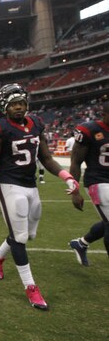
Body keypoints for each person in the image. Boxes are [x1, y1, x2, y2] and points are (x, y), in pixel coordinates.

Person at [0, 83, 80, 311]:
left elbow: (47, 158)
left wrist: (67, 177)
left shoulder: (36, 124)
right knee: (20, 237)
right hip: (8, 185)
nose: (19, 108)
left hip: (30, 184)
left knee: (28, 234)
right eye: (13, 104)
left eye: (21, 103)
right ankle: (31, 287)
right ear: (4, 107)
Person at [68, 100, 109, 266]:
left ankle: (81, 243)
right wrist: (75, 191)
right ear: (104, 114)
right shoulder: (90, 130)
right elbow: (76, 161)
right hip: (98, 181)